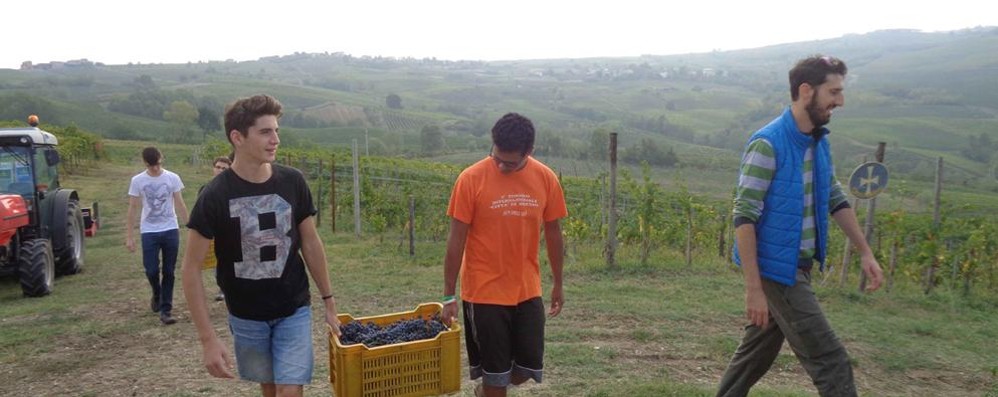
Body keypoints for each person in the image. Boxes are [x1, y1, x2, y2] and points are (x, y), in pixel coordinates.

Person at [716, 55, 884, 397]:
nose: (840, 101)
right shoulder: (768, 143)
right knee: (831, 360)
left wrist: (865, 252)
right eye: (833, 92)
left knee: (753, 357)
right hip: (779, 271)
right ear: (806, 91)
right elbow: (744, 215)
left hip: (798, 266)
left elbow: (834, 197)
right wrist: (754, 288)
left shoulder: (817, 142)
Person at [181, 94, 340, 397]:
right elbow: (190, 270)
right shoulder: (214, 196)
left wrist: (328, 302)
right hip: (245, 314)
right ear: (237, 137)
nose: (275, 139)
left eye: (276, 130)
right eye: (265, 132)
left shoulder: (292, 182)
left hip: (294, 307)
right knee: (269, 388)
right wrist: (207, 340)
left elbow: (310, 243)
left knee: (289, 390)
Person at [441, 112, 566, 397]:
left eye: (509, 163)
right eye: (496, 157)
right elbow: (455, 241)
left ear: (529, 153)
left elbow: (554, 233)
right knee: (496, 379)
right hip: (483, 292)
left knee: (526, 369)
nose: (500, 166)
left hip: (527, 289)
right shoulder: (470, 179)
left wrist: (558, 282)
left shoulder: (545, 178)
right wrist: (449, 296)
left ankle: (483, 392)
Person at [126, 146, 189, 325]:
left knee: (169, 270)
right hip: (149, 231)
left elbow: (180, 203)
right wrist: (129, 235)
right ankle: (157, 292)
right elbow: (132, 208)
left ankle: (165, 310)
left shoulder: (172, 178)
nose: (155, 168)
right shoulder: (138, 181)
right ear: (145, 163)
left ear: (162, 159)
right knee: (151, 269)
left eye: (158, 164)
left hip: (170, 228)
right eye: (151, 165)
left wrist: (191, 225)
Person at [199, 156, 232, 302]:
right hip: (214, 232)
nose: (220, 170)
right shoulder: (205, 189)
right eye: (218, 167)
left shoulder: (234, 189)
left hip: (231, 231)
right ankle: (223, 288)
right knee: (217, 263)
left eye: (224, 168)